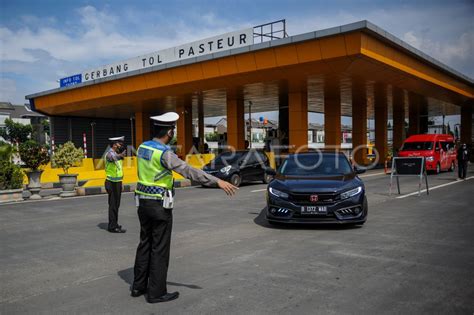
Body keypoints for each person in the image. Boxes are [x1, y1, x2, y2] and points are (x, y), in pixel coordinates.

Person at [131, 112, 238, 304]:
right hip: (159, 205)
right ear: (169, 131)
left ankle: (138, 286)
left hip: (142, 203)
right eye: (172, 129)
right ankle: (156, 293)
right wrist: (217, 181)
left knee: (144, 243)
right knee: (159, 248)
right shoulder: (164, 153)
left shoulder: (142, 147)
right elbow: (188, 171)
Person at [104, 136, 127, 233]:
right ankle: (112, 227)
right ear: (114, 145)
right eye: (119, 144)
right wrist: (120, 156)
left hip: (117, 182)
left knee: (116, 205)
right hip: (111, 183)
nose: (120, 145)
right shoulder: (110, 153)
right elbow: (112, 158)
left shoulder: (116, 153)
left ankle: (115, 223)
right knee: (113, 205)